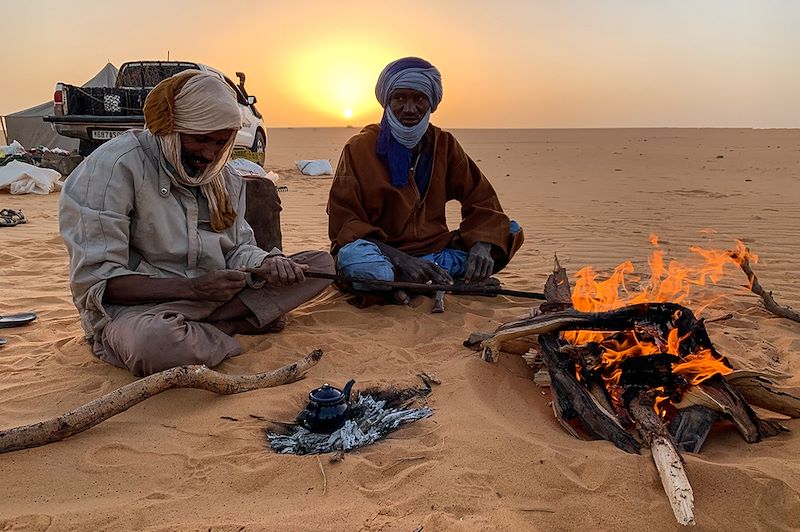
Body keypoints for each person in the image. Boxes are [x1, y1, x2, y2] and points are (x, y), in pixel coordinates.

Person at [60, 70, 334, 377]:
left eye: (220, 142)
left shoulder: (223, 176)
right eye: (200, 139)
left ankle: (211, 327)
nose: (210, 153)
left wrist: (268, 263)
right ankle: (230, 327)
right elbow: (96, 284)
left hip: (215, 298)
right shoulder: (112, 170)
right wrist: (191, 288)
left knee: (321, 265)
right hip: (141, 311)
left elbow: (238, 249)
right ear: (169, 130)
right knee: (156, 345)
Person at [327, 57, 524, 305]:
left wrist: (482, 245)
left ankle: (410, 285)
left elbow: (481, 199)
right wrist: (402, 260)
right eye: (400, 98)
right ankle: (429, 282)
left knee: (508, 232)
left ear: (431, 102)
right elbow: (345, 223)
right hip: (383, 255)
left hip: (435, 253)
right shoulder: (359, 148)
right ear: (387, 101)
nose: (409, 109)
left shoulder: (445, 144)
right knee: (359, 264)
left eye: (419, 99)